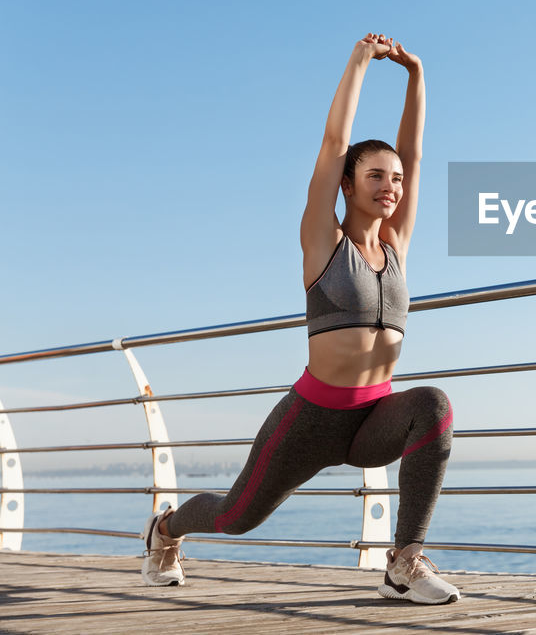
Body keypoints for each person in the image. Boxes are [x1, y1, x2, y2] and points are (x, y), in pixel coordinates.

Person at [140, 33, 459, 605]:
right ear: (347, 183)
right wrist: (359, 63)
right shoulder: (323, 241)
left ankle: (404, 562)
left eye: (396, 180)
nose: (391, 187)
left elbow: (414, 154)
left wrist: (416, 76)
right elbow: (335, 140)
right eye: (375, 177)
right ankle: (165, 529)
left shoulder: (397, 246)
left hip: (374, 419)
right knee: (238, 515)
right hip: (311, 419)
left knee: (433, 406)